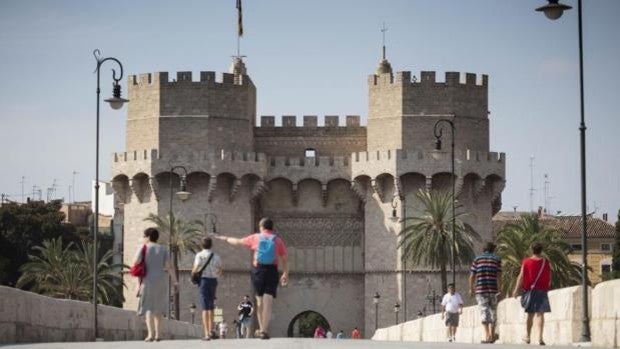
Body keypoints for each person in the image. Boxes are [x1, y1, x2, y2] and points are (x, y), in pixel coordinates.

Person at [214, 217, 289, 340]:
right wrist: (285, 273)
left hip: (258, 271)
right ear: (271, 228)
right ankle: (264, 330)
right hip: (272, 271)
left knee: (259, 302)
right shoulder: (277, 240)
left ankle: (261, 328)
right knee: (268, 300)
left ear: (261, 227)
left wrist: (225, 238)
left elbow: (238, 242)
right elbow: (285, 258)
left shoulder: (256, 237)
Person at [134, 227, 178, 342]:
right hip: (161, 281)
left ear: (148, 237)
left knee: (148, 308)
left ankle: (150, 335)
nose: (143, 238)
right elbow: (169, 267)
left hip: (147, 281)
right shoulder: (163, 249)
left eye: (144, 236)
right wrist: (175, 281)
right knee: (158, 308)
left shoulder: (143, 248)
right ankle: (158, 335)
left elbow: (135, 262)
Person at [512, 242, 552, 346]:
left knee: (530, 314)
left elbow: (520, 277)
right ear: (541, 250)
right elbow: (549, 276)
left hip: (530, 290)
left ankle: (528, 336)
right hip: (542, 290)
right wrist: (547, 287)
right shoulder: (545, 262)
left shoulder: (526, 262)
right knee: (540, 314)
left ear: (531, 250)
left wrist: (516, 290)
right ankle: (540, 338)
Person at [469, 242, 502, 344]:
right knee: (493, 312)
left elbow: (472, 276)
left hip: (481, 290)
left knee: (484, 311)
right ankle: (492, 335)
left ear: (483, 249)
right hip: (493, 290)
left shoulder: (477, 259)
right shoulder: (497, 259)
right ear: (493, 249)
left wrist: (471, 288)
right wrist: (500, 289)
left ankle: (487, 335)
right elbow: (499, 276)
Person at [191, 237, 222, 341]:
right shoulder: (216, 256)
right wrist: (215, 274)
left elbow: (195, 268)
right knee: (211, 305)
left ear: (201, 245)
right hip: (213, 281)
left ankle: (206, 333)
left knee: (205, 307)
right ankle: (211, 330)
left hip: (203, 281)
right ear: (211, 245)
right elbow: (220, 270)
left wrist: (192, 276)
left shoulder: (199, 255)